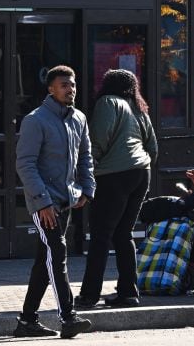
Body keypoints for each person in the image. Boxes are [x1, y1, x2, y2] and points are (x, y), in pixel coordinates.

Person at [13, 65, 96, 339]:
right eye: (64, 85)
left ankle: (27, 321)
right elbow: (25, 164)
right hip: (43, 203)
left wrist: (86, 189)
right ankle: (68, 318)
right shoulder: (35, 120)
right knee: (57, 254)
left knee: (44, 261)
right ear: (51, 89)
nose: (70, 89)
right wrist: (42, 201)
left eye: (72, 84)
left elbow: (85, 157)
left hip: (66, 201)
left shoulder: (79, 119)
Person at [75, 68, 158, 309]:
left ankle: (90, 295)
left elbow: (97, 141)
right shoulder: (139, 108)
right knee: (124, 234)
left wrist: (87, 172)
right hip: (142, 173)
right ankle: (128, 292)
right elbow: (152, 147)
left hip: (113, 175)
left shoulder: (107, 102)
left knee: (101, 235)